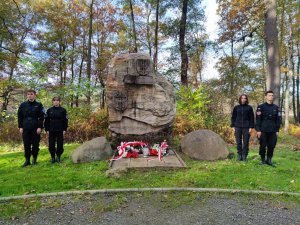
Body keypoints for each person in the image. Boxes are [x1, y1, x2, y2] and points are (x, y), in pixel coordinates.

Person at [18, 90, 45, 167]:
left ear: (35, 95)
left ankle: (34, 159)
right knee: (26, 144)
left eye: (31, 94)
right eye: (28, 94)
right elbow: (20, 117)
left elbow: (41, 117)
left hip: (35, 127)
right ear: (27, 96)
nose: (30, 96)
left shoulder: (39, 105)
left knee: (35, 144)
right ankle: (27, 160)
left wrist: (40, 127)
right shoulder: (23, 105)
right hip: (25, 127)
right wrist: (20, 127)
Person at [255, 90, 281, 166]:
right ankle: (263, 160)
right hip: (263, 130)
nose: (271, 97)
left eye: (272, 95)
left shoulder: (276, 108)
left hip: (273, 130)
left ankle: (269, 160)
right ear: (265, 97)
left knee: (271, 146)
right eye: (269, 95)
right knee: (263, 146)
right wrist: (258, 130)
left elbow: (278, 120)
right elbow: (258, 119)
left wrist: (277, 130)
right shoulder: (261, 107)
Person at [44, 96, 68, 163]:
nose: (56, 101)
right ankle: (53, 158)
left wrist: (64, 129)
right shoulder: (49, 110)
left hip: (60, 130)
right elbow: (46, 121)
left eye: (57, 100)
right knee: (51, 145)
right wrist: (47, 130)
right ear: (52, 102)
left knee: (60, 145)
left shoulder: (63, 110)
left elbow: (65, 120)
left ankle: (58, 157)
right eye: (54, 100)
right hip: (51, 130)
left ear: (59, 102)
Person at [231, 94, 254, 161]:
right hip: (237, 126)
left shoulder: (249, 108)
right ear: (240, 99)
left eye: (245, 98)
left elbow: (251, 118)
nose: (243, 99)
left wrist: (251, 127)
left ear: (246, 99)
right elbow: (233, 117)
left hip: (246, 127)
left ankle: (244, 156)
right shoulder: (236, 107)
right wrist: (233, 126)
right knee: (238, 142)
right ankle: (239, 155)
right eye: (242, 98)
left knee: (246, 142)